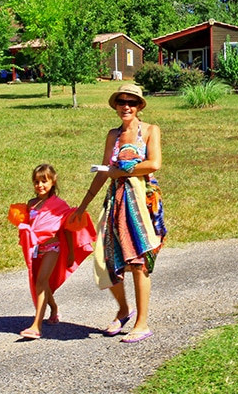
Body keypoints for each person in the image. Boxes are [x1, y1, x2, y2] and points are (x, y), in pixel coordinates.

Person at [73, 83, 166, 344]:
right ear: (115, 106)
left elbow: (154, 164)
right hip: (115, 200)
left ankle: (142, 322)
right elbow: (104, 171)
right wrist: (82, 207)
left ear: (139, 106)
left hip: (140, 202)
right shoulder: (112, 135)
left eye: (132, 102)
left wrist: (121, 170)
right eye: (122, 102)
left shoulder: (149, 131)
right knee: (106, 258)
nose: (127, 106)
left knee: (138, 261)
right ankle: (124, 310)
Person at [12, 163, 96, 340]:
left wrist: (71, 253)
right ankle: (54, 308)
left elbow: (66, 228)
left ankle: (36, 326)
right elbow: (31, 225)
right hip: (36, 249)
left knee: (41, 282)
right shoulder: (32, 204)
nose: (40, 185)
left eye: (44, 181)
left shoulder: (58, 204)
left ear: (53, 181)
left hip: (52, 248)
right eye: (36, 181)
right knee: (42, 283)